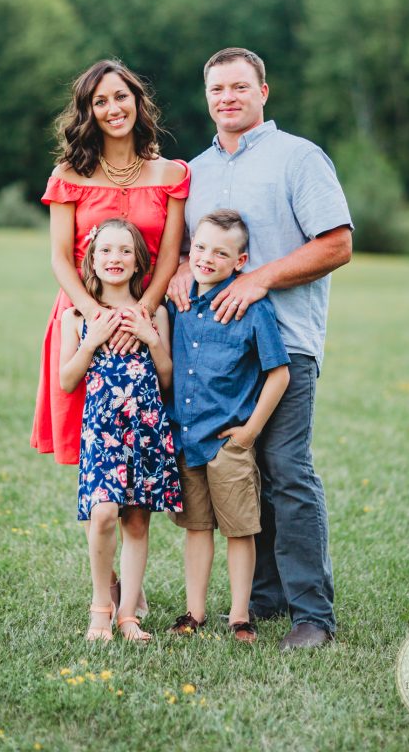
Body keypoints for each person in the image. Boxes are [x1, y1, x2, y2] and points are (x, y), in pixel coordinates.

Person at [167, 47, 353, 651]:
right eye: (217, 89)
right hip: (214, 355)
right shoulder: (194, 172)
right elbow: (193, 250)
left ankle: (312, 615)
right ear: (206, 97)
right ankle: (264, 597)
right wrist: (179, 267)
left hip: (284, 343)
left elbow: (337, 244)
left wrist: (259, 279)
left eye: (240, 87)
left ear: (263, 92)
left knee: (287, 471)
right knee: (240, 470)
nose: (228, 97)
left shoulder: (298, 158)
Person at [31, 58, 190, 465]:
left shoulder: (171, 175)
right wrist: (95, 317)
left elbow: (169, 256)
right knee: (95, 449)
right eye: (100, 101)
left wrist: (143, 314)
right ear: (89, 112)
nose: (113, 108)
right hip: (83, 315)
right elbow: (60, 258)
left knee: (149, 444)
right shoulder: (68, 175)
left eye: (121, 96)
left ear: (137, 101)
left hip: (149, 318)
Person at [166, 211, 290, 643]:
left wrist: (249, 432)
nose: (206, 257)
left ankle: (240, 615)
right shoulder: (178, 302)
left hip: (228, 443)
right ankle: (194, 612)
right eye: (200, 247)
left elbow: (279, 374)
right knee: (197, 528)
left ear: (240, 261)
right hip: (186, 437)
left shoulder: (253, 309)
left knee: (240, 529)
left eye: (221, 253)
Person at [59, 218, 182, 642]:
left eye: (125, 251)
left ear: (139, 262)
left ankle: (129, 614)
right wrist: (91, 341)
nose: (116, 258)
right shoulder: (77, 317)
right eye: (106, 250)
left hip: (145, 428)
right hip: (103, 431)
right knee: (104, 513)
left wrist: (151, 338)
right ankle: (101, 607)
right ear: (92, 259)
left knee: (137, 522)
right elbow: (66, 380)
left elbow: (166, 378)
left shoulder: (155, 314)